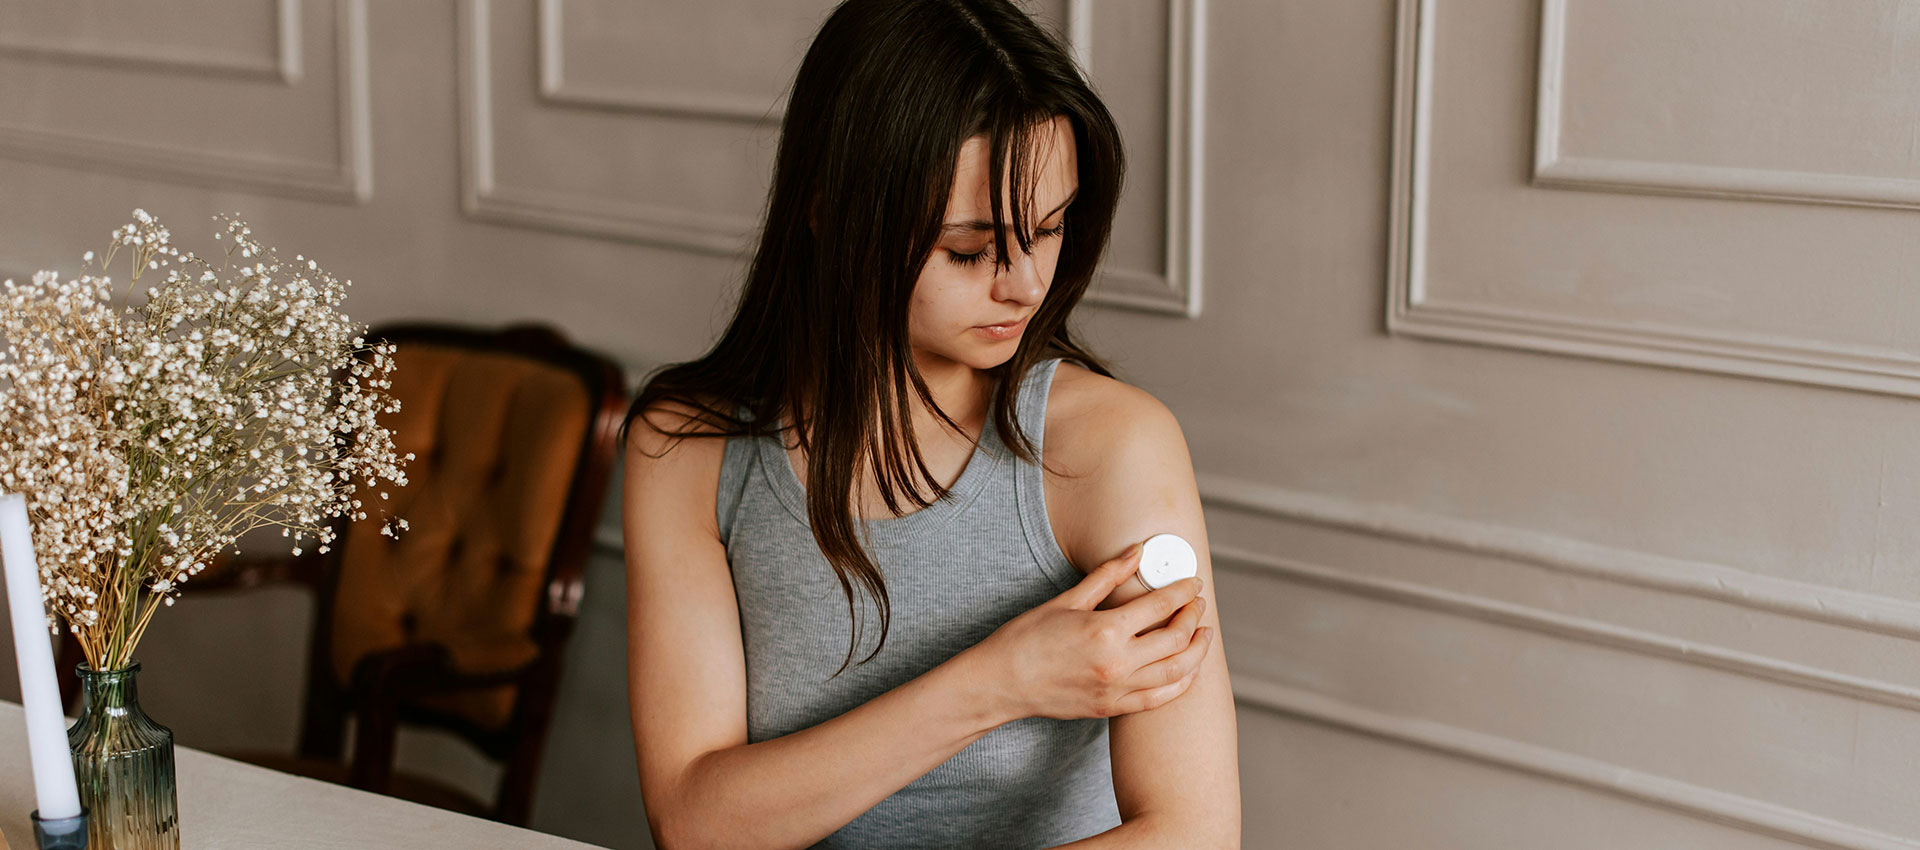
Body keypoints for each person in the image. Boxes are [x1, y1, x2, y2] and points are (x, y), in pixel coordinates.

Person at [617, 0, 1240, 846]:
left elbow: (1193, 835)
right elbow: (695, 822)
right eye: (968, 249)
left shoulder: (1113, 446)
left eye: (1050, 229)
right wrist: (999, 681)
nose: (1025, 284)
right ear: (828, 211)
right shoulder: (685, 448)